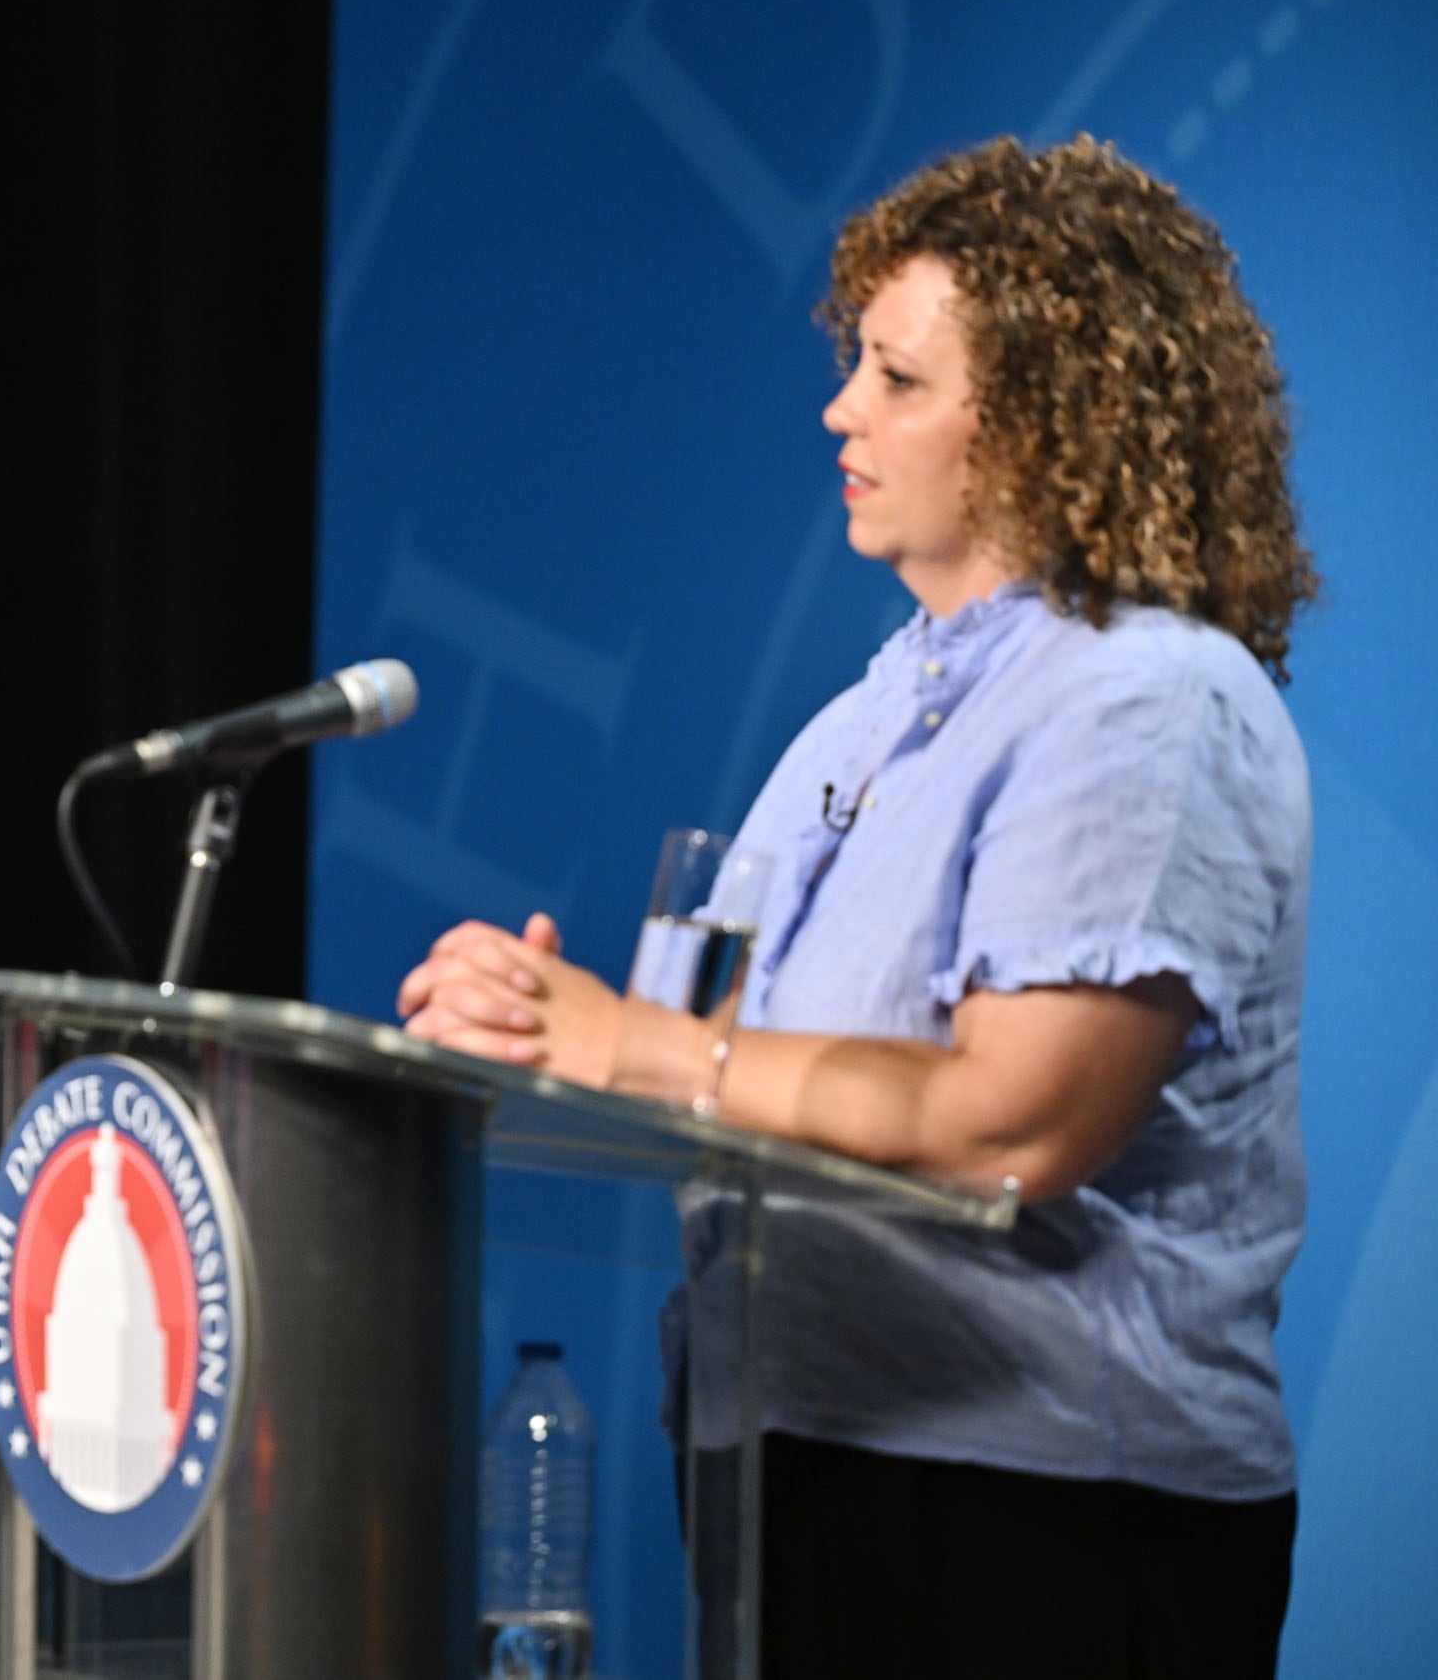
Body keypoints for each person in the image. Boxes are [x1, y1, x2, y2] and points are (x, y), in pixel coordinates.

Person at [397, 135, 1315, 1678]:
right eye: (855, 368)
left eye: (897, 377)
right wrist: (535, 1023)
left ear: (1047, 416)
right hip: (798, 1462)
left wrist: (642, 1046)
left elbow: (1015, 1122)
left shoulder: (1149, 700)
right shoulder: (865, 720)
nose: (842, 409)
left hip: (1046, 1511)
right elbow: (711, 1042)